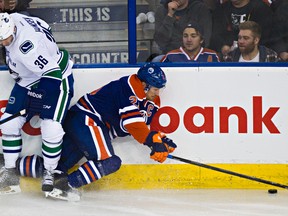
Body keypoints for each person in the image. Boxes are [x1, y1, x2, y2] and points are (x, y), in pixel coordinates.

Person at [5, 62, 177, 201]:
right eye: (155, 88)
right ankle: (66, 186)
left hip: (84, 123)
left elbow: (138, 126)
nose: (158, 92)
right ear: (145, 85)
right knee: (110, 162)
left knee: (55, 168)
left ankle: (5, 164)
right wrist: (151, 140)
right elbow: (132, 123)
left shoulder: (151, 100)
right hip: (86, 120)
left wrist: (159, 139)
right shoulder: (128, 88)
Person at [0, 12, 74, 195]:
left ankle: (50, 172)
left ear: (13, 30)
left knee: (51, 127)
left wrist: (45, 102)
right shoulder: (12, 18)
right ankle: (9, 172)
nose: (3, 43)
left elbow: (52, 72)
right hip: (28, 79)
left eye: (6, 39)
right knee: (9, 123)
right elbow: (44, 26)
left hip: (56, 78)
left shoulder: (28, 48)